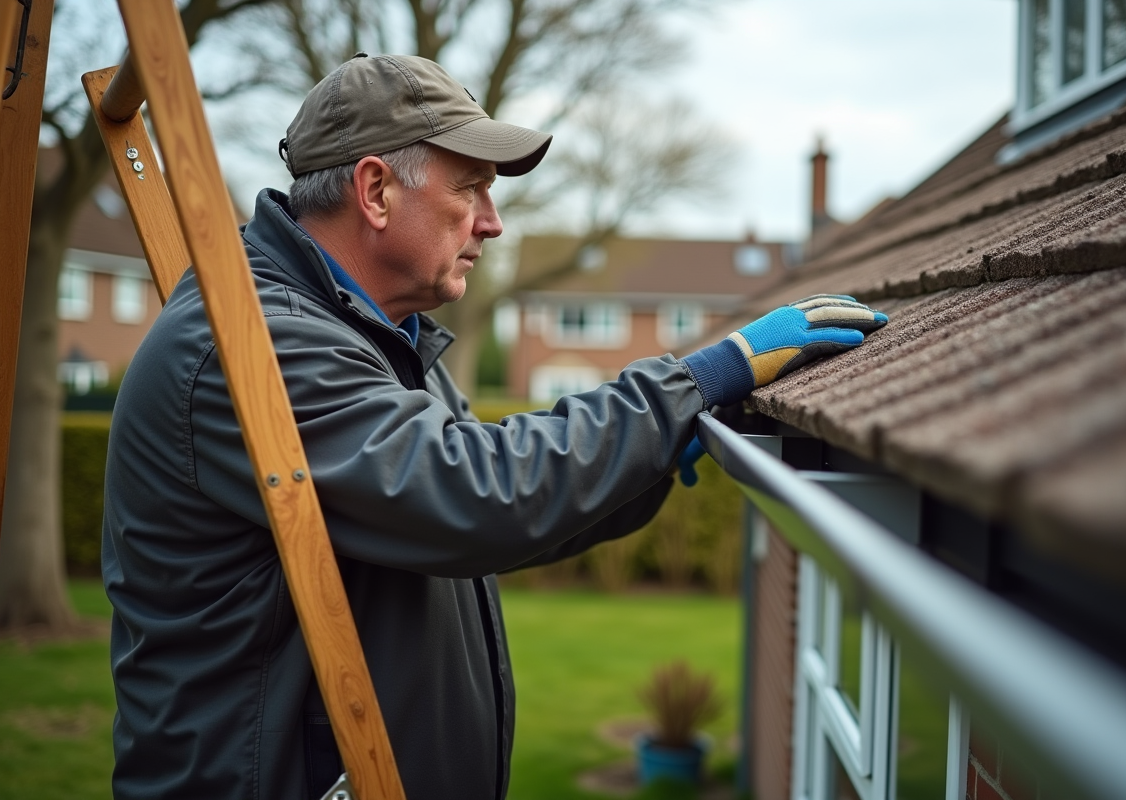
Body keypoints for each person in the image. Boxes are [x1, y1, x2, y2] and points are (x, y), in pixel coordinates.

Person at [102, 54, 887, 800]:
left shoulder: (376, 337)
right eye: (471, 188)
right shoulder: (249, 348)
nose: (493, 223)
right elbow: (474, 493)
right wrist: (700, 378)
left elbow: (487, 508)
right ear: (376, 192)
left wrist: (650, 458)